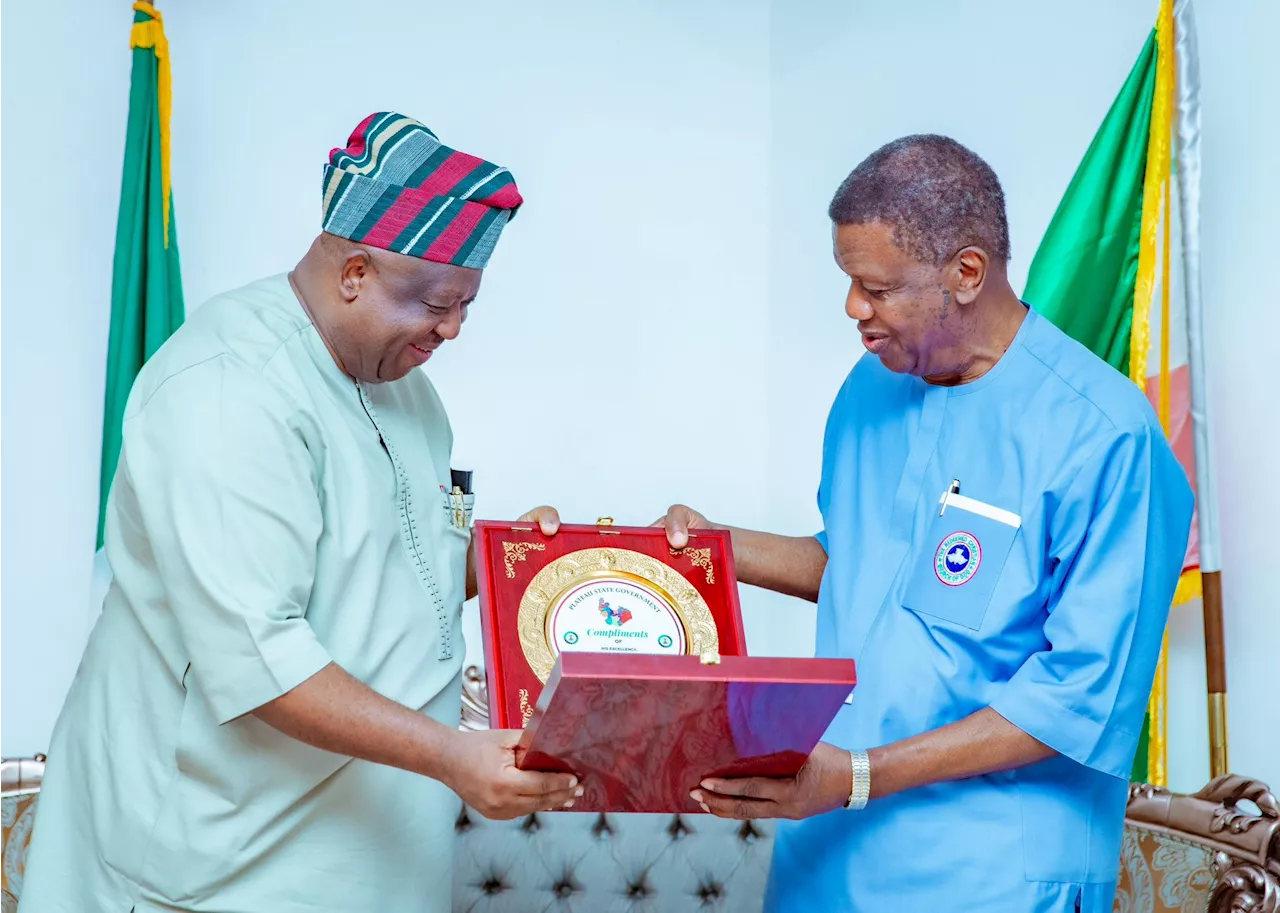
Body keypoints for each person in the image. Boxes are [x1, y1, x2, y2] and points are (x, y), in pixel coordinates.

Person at [19, 112, 580, 913]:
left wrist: (515, 564)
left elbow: (390, 581)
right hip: (218, 867)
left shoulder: (407, 392)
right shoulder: (230, 391)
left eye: (466, 306)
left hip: (369, 858)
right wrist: (455, 756)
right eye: (437, 304)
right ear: (354, 272)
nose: (452, 330)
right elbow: (261, 659)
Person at [659, 135, 1193, 913]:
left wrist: (861, 773)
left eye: (876, 287)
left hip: (987, 875)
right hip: (824, 854)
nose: (854, 310)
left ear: (966, 274)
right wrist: (712, 548)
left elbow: (1081, 693)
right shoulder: (871, 389)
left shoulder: (1106, 435)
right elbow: (866, 566)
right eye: (849, 283)